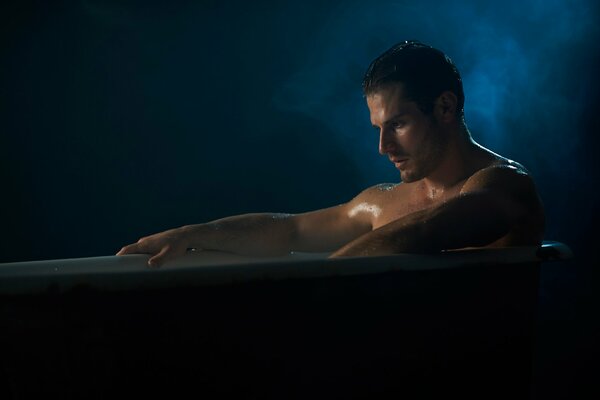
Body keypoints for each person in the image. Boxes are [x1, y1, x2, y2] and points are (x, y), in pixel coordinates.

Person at [117, 40, 545, 267]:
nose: (384, 147)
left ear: (446, 107)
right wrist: (194, 235)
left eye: (397, 124)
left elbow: (423, 233)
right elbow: (291, 232)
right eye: (378, 129)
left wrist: (313, 285)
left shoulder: (504, 183)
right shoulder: (383, 202)